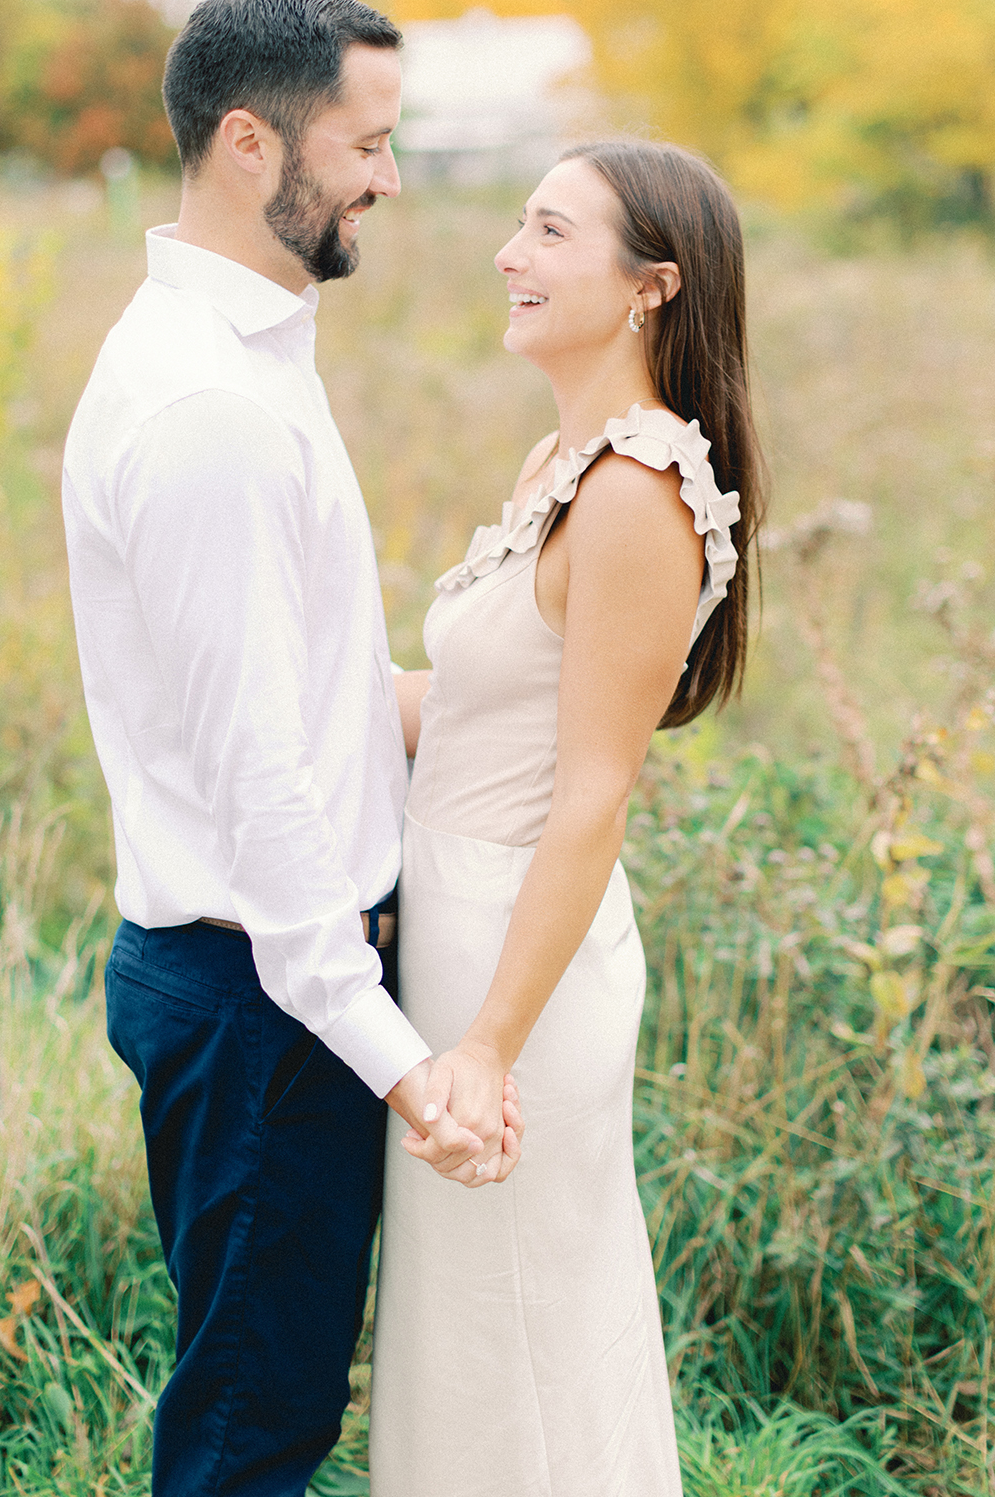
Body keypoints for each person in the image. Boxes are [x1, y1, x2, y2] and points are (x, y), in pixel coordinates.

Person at [61, 0, 522, 1497]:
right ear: (252, 143)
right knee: (254, 1434)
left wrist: (503, 689)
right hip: (270, 997)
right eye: (367, 144)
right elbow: (265, 793)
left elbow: (294, 688)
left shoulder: (255, 355)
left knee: (263, 1396)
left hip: (258, 989)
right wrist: (403, 1066)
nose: (389, 179)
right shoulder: (209, 413)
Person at [370, 138, 765, 1495]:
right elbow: (480, 712)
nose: (509, 255)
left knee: (525, 1340)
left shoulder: (637, 494)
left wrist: (486, 1048)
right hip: (464, 926)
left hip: (518, 966)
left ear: (650, 285)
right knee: (469, 1338)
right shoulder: (564, 458)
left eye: (549, 233)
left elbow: (593, 792)